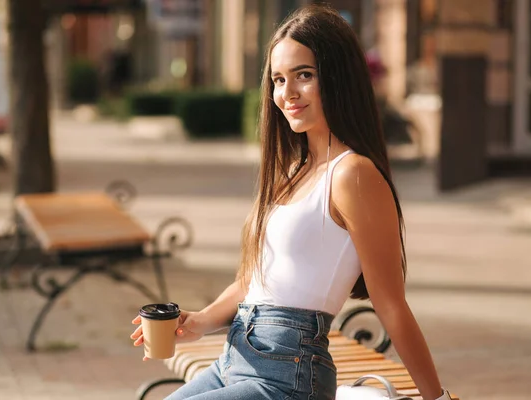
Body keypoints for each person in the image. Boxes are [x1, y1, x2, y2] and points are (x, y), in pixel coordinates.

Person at [130, 4, 451, 400]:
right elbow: (252, 282)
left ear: (338, 77)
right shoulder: (291, 171)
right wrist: (197, 322)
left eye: (304, 75)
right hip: (235, 358)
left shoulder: (352, 174)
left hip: (290, 375)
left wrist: (435, 397)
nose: (288, 93)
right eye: (279, 79)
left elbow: (392, 305)